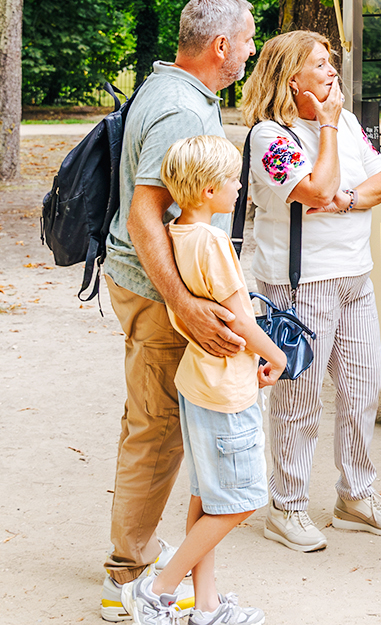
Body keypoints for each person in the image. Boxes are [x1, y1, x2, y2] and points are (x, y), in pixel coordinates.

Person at [100, 0, 255, 621]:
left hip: (144, 282)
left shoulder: (167, 92)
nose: (249, 49)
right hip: (157, 289)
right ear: (221, 46)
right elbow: (145, 209)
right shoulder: (181, 111)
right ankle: (129, 576)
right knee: (157, 432)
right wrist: (183, 302)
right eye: (246, 39)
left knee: (151, 423)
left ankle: (137, 559)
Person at [238, 30, 381, 552]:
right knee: (300, 399)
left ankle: (356, 495)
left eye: (331, 62)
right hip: (299, 282)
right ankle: (285, 507)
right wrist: (327, 130)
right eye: (320, 65)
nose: (332, 72)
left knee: (362, 389)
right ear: (292, 79)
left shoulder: (348, 122)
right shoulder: (271, 138)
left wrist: (344, 199)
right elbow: (317, 186)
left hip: (355, 274)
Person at [121, 135, 287, 625]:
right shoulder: (213, 241)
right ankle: (158, 589)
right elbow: (240, 320)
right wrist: (276, 356)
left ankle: (207, 605)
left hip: (199, 382)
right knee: (240, 502)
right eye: (233, 180)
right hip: (224, 390)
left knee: (209, 497)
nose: (240, 188)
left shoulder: (176, 233)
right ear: (206, 191)